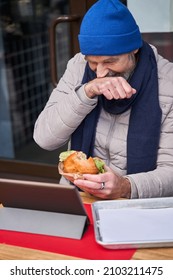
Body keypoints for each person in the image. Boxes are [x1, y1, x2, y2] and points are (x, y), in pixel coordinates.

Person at [33, 0, 173, 199]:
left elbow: (170, 171)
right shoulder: (78, 67)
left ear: (134, 49)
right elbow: (44, 138)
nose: (100, 73)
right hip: (77, 195)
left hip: (134, 202)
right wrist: (86, 93)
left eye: (110, 61)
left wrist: (125, 186)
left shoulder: (168, 84)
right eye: (93, 62)